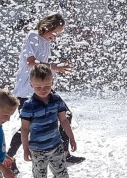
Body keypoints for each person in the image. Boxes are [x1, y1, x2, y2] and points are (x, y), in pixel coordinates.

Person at [7, 13, 84, 168]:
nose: (55, 37)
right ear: (47, 26)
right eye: (54, 33)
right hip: (26, 90)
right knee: (29, 127)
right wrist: (54, 67)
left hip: (42, 88)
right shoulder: (33, 36)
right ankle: (8, 157)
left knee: (65, 115)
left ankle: (64, 154)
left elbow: (42, 66)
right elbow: (31, 63)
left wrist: (52, 74)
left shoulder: (46, 42)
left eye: (58, 34)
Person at [20, 63, 77, 178]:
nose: (43, 90)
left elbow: (64, 120)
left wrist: (71, 138)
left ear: (52, 82)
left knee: (62, 175)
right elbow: (25, 129)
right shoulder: (28, 105)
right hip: (38, 150)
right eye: (38, 87)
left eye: (46, 86)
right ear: (31, 85)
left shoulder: (57, 100)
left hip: (56, 145)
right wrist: (26, 149)